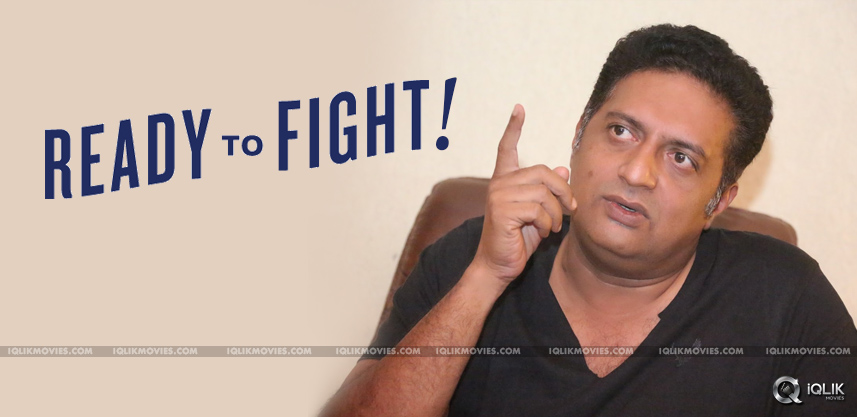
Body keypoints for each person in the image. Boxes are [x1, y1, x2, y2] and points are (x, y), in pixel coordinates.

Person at [322, 24, 857, 416]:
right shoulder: (470, 256)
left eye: (681, 158)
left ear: (719, 201)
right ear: (579, 135)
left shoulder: (785, 298)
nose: (637, 172)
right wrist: (485, 278)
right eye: (621, 132)